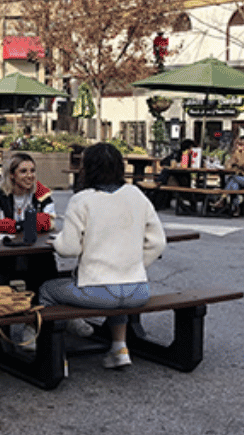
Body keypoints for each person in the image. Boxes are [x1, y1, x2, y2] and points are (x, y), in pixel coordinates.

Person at [37, 142, 166, 368]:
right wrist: (134, 265)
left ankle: (56, 356)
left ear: (87, 168)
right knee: (118, 295)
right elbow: (158, 243)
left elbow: (69, 249)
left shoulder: (82, 199)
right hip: (138, 290)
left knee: (47, 290)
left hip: (97, 293)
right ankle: (119, 349)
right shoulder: (136, 195)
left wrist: (56, 242)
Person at [0, 154, 62, 327]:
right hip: (4, 256)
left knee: (45, 266)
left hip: (32, 255)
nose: (30, 175)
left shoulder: (40, 191)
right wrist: (26, 224)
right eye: (23, 171)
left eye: (32, 171)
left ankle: (43, 322)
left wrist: (14, 225)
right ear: (12, 175)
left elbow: (49, 221)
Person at [213, 135, 244, 214]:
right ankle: (236, 207)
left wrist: (238, 164)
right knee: (234, 185)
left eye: (241, 144)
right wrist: (230, 163)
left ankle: (223, 199)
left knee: (233, 178)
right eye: (238, 144)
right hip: (238, 179)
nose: (239, 146)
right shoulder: (237, 153)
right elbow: (229, 164)